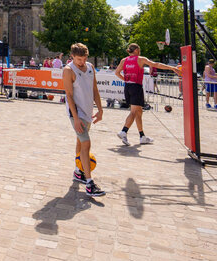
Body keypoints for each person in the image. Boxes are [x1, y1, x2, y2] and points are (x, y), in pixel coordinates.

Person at [114, 43, 181, 146]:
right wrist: (172, 68)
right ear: (136, 50)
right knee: (134, 111)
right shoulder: (140, 59)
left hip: (128, 87)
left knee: (139, 111)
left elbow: (117, 73)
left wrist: (127, 80)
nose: (140, 51)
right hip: (136, 87)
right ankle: (123, 131)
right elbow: (156, 64)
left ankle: (142, 136)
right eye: (139, 49)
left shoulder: (124, 60)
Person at [64, 42, 105, 197]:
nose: (81, 62)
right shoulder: (68, 70)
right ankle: (89, 183)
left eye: (83, 58)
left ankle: (77, 172)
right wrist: (75, 118)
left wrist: (100, 109)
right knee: (86, 144)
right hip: (76, 113)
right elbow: (68, 95)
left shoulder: (90, 67)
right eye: (78, 59)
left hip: (88, 111)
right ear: (72, 57)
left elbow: (95, 89)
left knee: (80, 143)